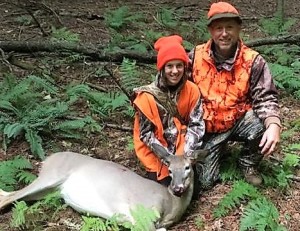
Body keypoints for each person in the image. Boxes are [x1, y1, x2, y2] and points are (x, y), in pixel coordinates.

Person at [189, 2, 282, 190]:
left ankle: (247, 162)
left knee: (263, 123)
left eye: (230, 27)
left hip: (237, 120)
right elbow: (174, 86)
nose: (224, 33)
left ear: (239, 28)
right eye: (218, 28)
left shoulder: (253, 61)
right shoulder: (195, 57)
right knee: (205, 182)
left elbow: (266, 98)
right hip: (206, 128)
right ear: (210, 30)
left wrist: (273, 124)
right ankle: (217, 149)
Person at [132, 35, 205, 187]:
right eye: (169, 66)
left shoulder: (192, 90)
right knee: (162, 189)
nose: (175, 71)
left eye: (179, 65)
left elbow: (196, 125)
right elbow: (145, 134)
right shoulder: (146, 97)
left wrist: (187, 155)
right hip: (158, 154)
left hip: (183, 150)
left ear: (185, 67)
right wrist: (167, 157)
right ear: (162, 68)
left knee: (192, 188)